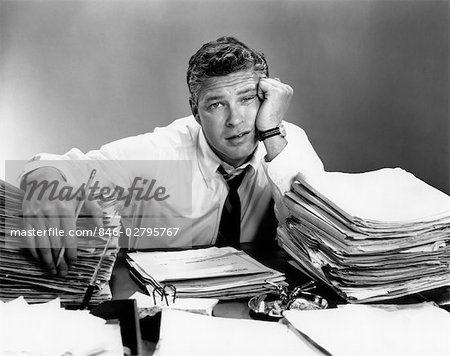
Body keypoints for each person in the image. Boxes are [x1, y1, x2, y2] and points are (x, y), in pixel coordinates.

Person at [20, 36, 324, 276]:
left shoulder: (282, 141)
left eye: (247, 100)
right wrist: (43, 178)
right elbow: (59, 167)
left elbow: (322, 228)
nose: (235, 120)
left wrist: (271, 133)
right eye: (216, 105)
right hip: (165, 309)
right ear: (195, 111)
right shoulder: (161, 152)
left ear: (267, 98)